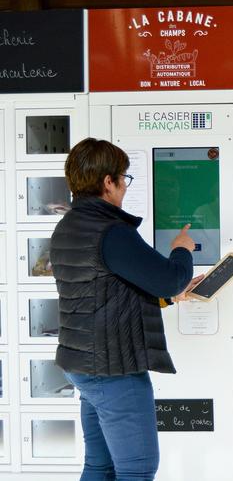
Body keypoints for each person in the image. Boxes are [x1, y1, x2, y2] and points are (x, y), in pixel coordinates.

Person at [50, 138, 204, 481]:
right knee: (137, 469)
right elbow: (169, 279)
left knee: (100, 467)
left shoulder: (68, 227)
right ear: (108, 182)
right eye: (123, 179)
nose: (124, 188)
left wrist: (167, 298)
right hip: (113, 369)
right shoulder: (111, 231)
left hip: (84, 366)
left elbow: (104, 289)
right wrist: (182, 250)